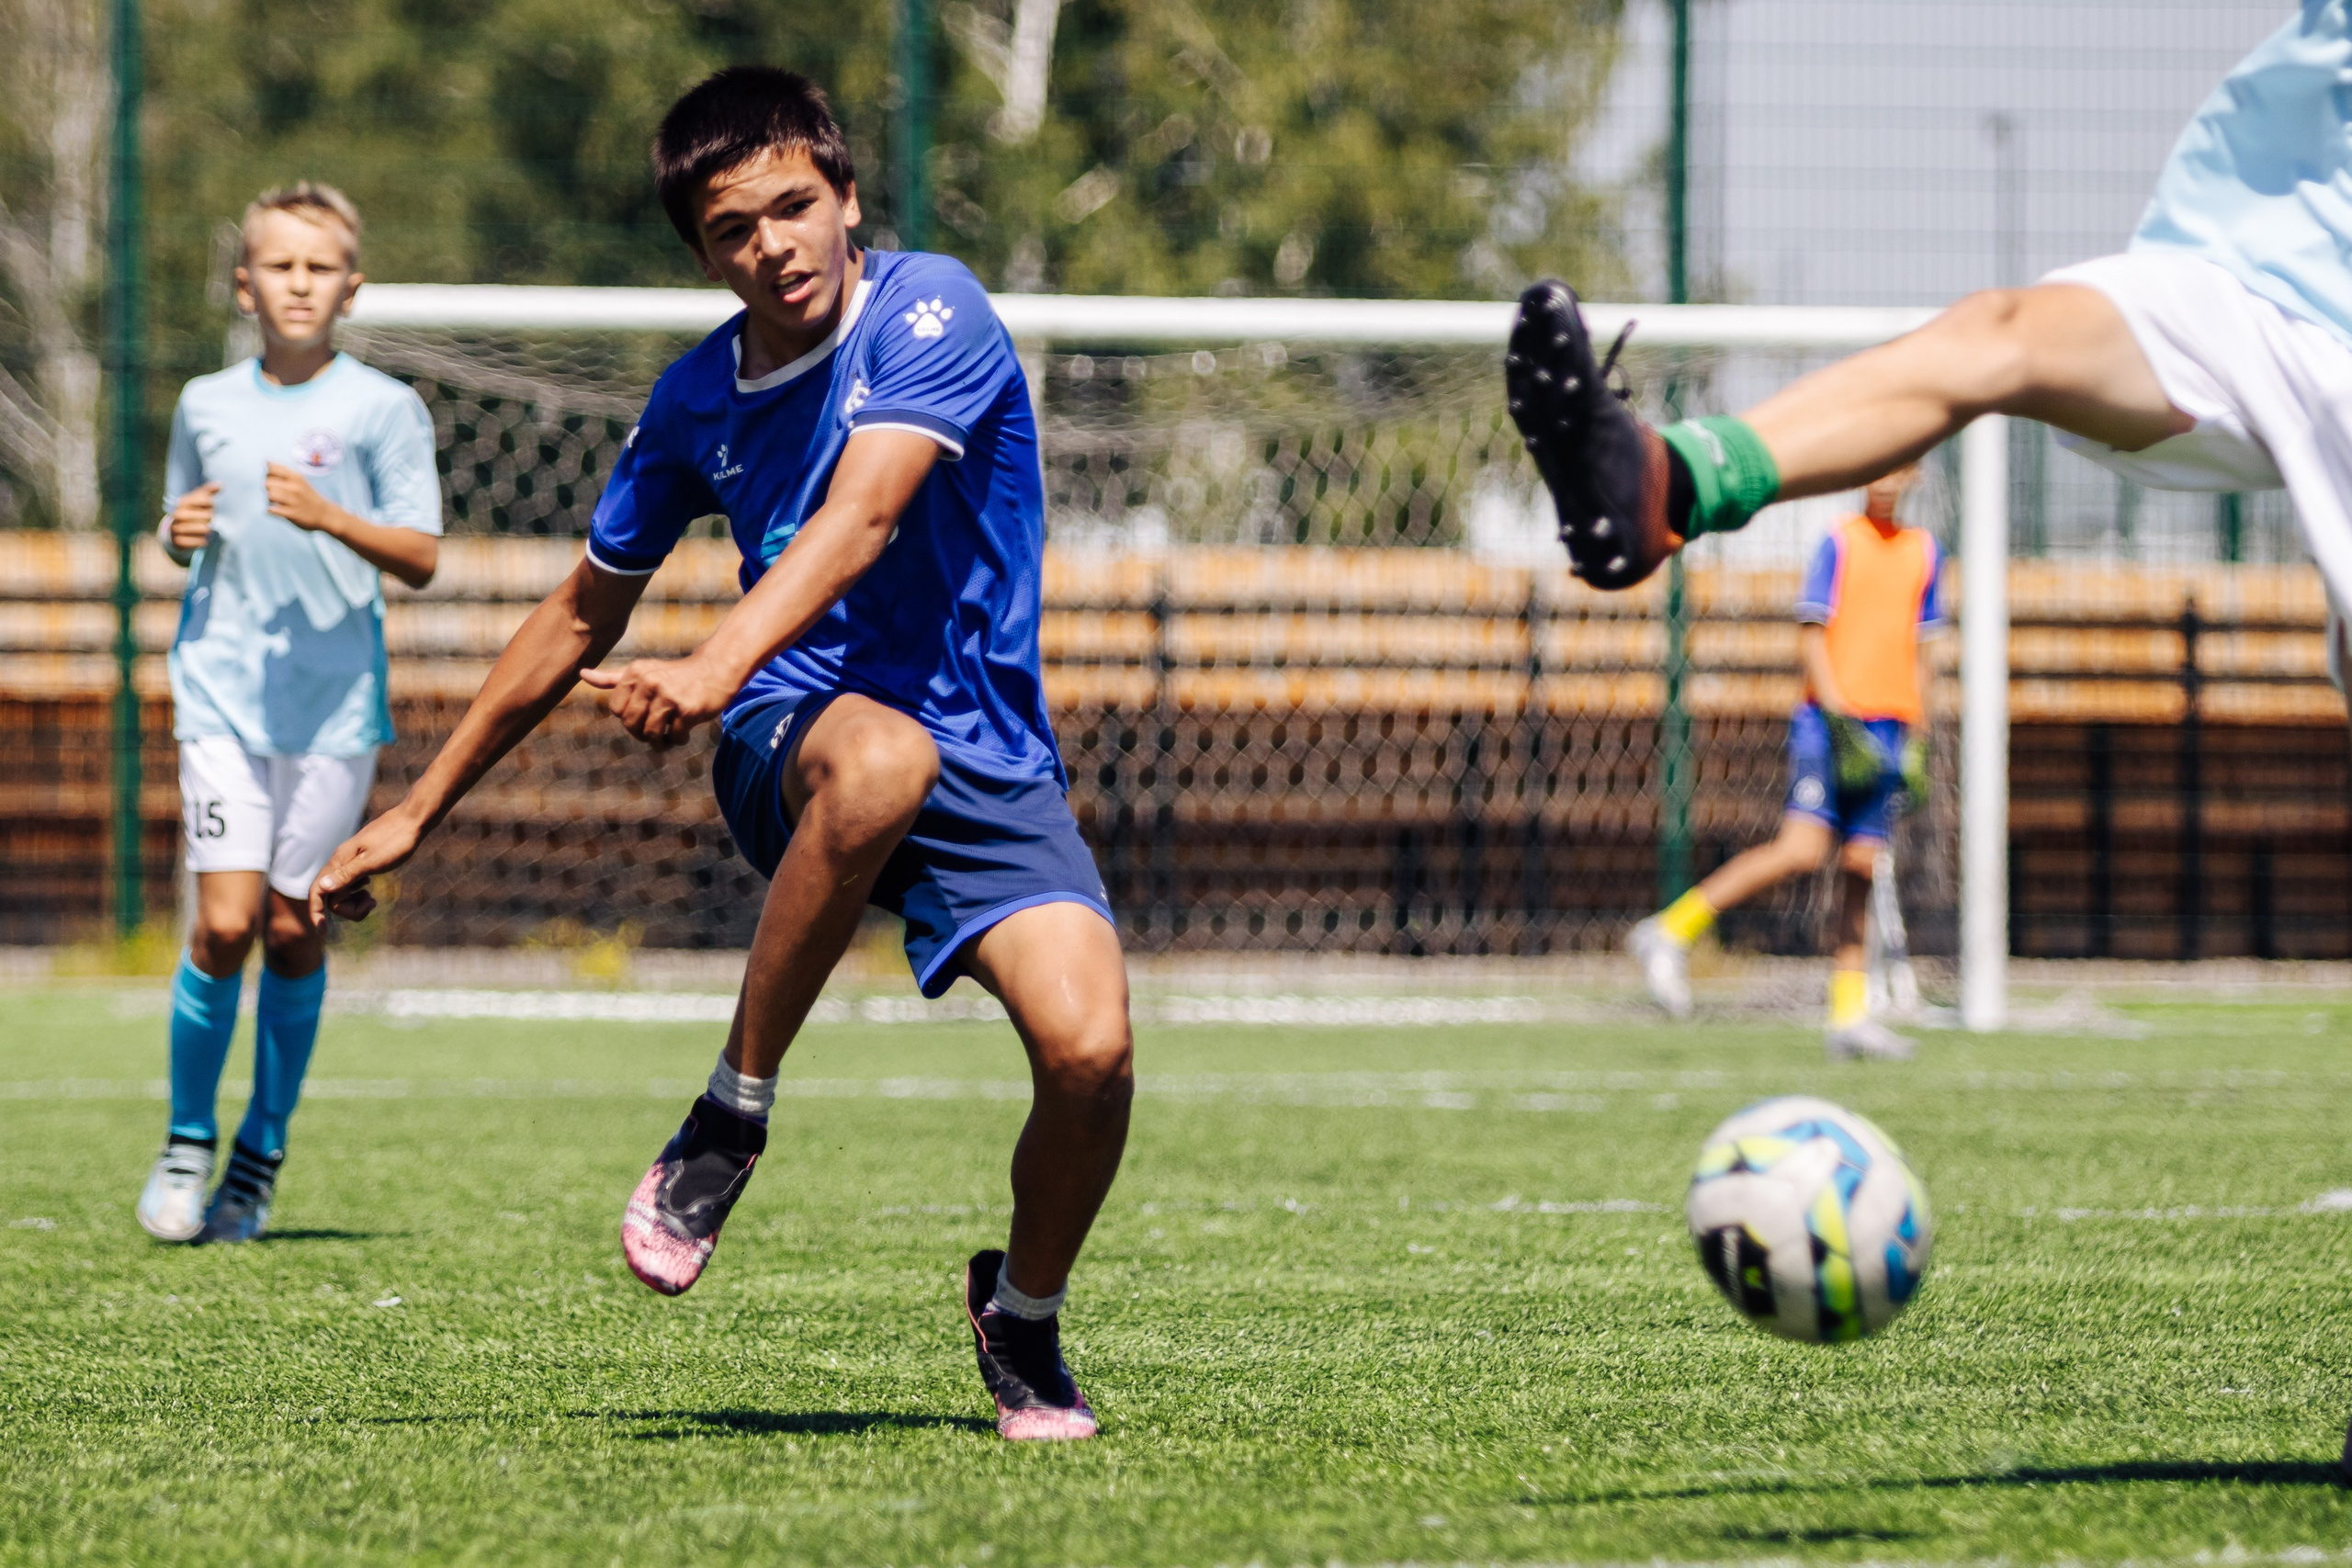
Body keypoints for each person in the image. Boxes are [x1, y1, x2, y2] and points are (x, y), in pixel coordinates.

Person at [309, 68, 1129, 1443]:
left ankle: (1024, 1318)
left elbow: (864, 513)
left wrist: (705, 662)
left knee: (1092, 1053)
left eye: (797, 207)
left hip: (981, 747)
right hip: (794, 734)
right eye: (736, 229)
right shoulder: (697, 398)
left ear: (849, 196)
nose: (777, 245)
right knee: (874, 768)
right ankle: (728, 1117)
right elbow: (577, 612)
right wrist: (418, 811)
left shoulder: (935, 309)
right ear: (703, 252)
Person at [134, 183, 441, 1247]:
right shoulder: (205, 402)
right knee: (221, 926)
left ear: (350, 286)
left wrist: (333, 518)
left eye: (319, 268)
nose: (298, 284)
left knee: (290, 927)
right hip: (218, 692)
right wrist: (177, 532)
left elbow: (422, 556)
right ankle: (185, 1142)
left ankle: (259, 1153)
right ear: (244, 282)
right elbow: (181, 527)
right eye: (279, 265)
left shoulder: (382, 409)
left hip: (332, 709)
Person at [1626, 465, 1939, 1059]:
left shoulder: (1925, 552)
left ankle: (1849, 1017)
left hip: (1891, 728)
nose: (1889, 478)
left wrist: (1916, 735)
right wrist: (1842, 717)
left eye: (1902, 466)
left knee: (1862, 864)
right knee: (1801, 848)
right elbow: (1814, 634)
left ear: (1916, 474)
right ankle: (1669, 930)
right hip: (1830, 723)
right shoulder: (1839, 539)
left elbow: (1925, 646)